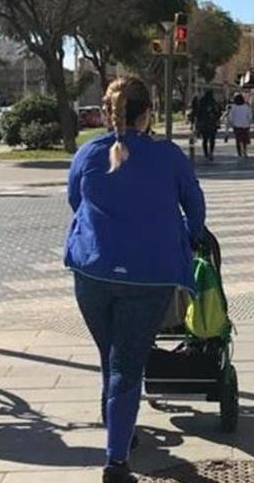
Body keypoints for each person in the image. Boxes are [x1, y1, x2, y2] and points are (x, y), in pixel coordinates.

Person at [65, 75, 206, 483]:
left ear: (109, 113)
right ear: (148, 113)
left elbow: (76, 201)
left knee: (111, 354)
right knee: (127, 361)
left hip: (92, 270)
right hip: (149, 274)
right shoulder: (168, 157)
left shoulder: (88, 153)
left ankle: (119, 428)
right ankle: (116, 460)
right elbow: (194, 205)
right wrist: (193, 236)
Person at [195, 90, 221, 160]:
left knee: (205, 139)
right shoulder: (214, 103)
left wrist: (197, 124)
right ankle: (211, 152)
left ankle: (206, 153)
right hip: (212, 123)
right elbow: (218, 112)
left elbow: (198, 114)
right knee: (212, 139)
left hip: (204, 123)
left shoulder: (201, 102)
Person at [228, 93, 253, 157]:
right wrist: (249, 122)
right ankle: (244, 150)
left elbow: (230, 117)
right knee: (244, 139)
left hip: (237, 126)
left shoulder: (234, 107)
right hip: (245, 125)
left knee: (238, 139)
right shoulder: (246, 107)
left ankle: (239, 153)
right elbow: (250, 116)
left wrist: (232, 123)